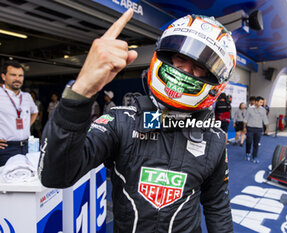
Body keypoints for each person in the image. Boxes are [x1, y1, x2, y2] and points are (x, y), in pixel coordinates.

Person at [38, 9, 235, 233]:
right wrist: (81, 92)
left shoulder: (213, 136)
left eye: (199, 66)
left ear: (215, 79)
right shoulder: (122, 120)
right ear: (166, 55)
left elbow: (217, 205)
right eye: (181, 57)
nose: (185, 70)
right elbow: (55, 174)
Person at [0, 60, 38, 166]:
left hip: (27, 147)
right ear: (4, 76)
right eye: (13, 75)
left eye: (20, 75)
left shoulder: (27, 96)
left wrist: (26, 125)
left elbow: (35, 112)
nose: (17, 78)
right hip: (5, 149)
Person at [243, 96, 269, 163]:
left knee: (256, 143)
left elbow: (265, 119)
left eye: (262, 102)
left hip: (259, 129)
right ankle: (247, 153)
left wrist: (267, 128)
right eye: (260, 102)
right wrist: (244, 127)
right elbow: (245, 119)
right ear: (256, 102)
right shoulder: (249, 109)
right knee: (249, 141)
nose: (262, 103)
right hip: (250, 128)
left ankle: (254, 156)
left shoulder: (263, 110)